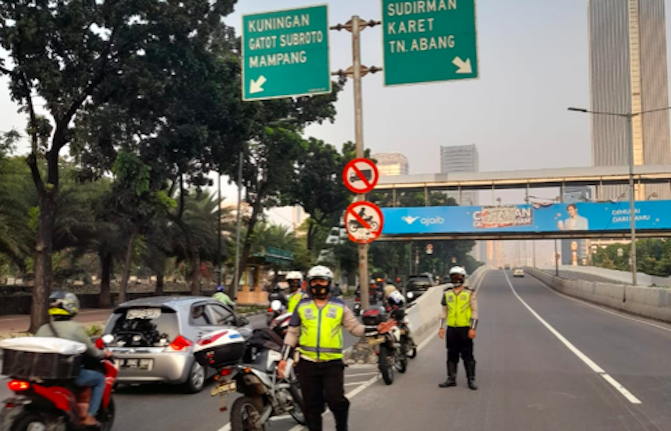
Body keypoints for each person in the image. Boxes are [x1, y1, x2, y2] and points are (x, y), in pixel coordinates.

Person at [277, 265, 396, 431]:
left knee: (336, 400)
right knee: (311, 406)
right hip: (307, 363)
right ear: (309, 284)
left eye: (322, 281)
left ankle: (342, 427)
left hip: (332, 364)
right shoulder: (302, 306)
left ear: (329, 283)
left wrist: (377, 329)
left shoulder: (339, 306)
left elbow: (355, 329)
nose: (318, 285)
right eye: (315, 281)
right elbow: (292, 333)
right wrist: (284, 358)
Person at [35, 292, 113, 426]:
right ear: (71, 307)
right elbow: (92, 351)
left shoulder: (43, 328)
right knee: (99, 379)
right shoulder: (75, 328)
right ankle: (89, 416)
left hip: (43, 376)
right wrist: (104, 354)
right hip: (66, 376)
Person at [438, 266, 479, 390]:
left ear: (463, 278)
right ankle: (451, 379)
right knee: (451, 354)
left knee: (468, 355)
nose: (456, 279)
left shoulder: (469, 292)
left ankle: (470, 379)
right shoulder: (447, 292)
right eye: (453, 277)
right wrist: (441, 327)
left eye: (458, 277)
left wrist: (472, 328)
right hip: (452, 329)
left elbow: (474, 311)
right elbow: (444, 311)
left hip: (465, 328)